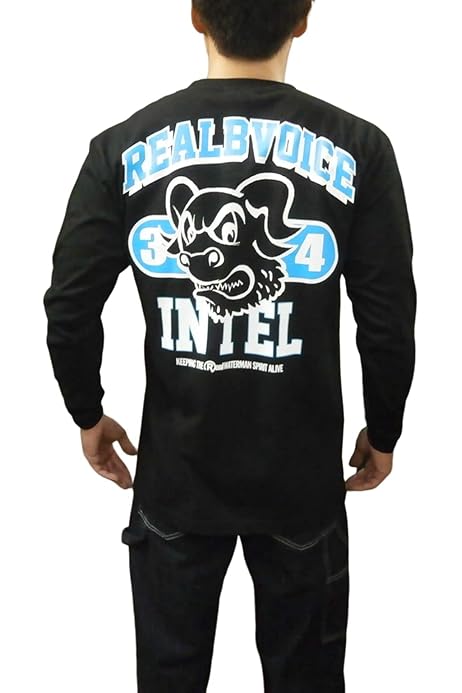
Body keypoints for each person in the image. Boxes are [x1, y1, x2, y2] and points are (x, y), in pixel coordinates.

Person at [43, 0, 417, 690]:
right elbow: (389, 316)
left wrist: (86, 413)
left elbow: (69, 302)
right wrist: (384, 427)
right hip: (302, 481)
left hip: (175, 480)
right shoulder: (360, 148)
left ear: (195, 16)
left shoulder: (122, 147)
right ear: (303, 18)